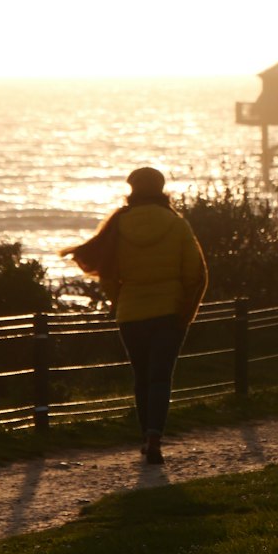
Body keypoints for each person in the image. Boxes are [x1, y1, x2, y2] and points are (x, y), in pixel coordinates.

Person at [66, 167, 207, 465]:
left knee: (142, 377)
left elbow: (106, 273)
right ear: (161, 189)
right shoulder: (177, 224)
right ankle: (155, 437)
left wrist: (119, 301)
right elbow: (196, 274)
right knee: (160, 378)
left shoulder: (119, 224)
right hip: (168, 313)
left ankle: (146, 436)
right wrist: (185, 311)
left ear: (132, 190)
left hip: (131, 314)